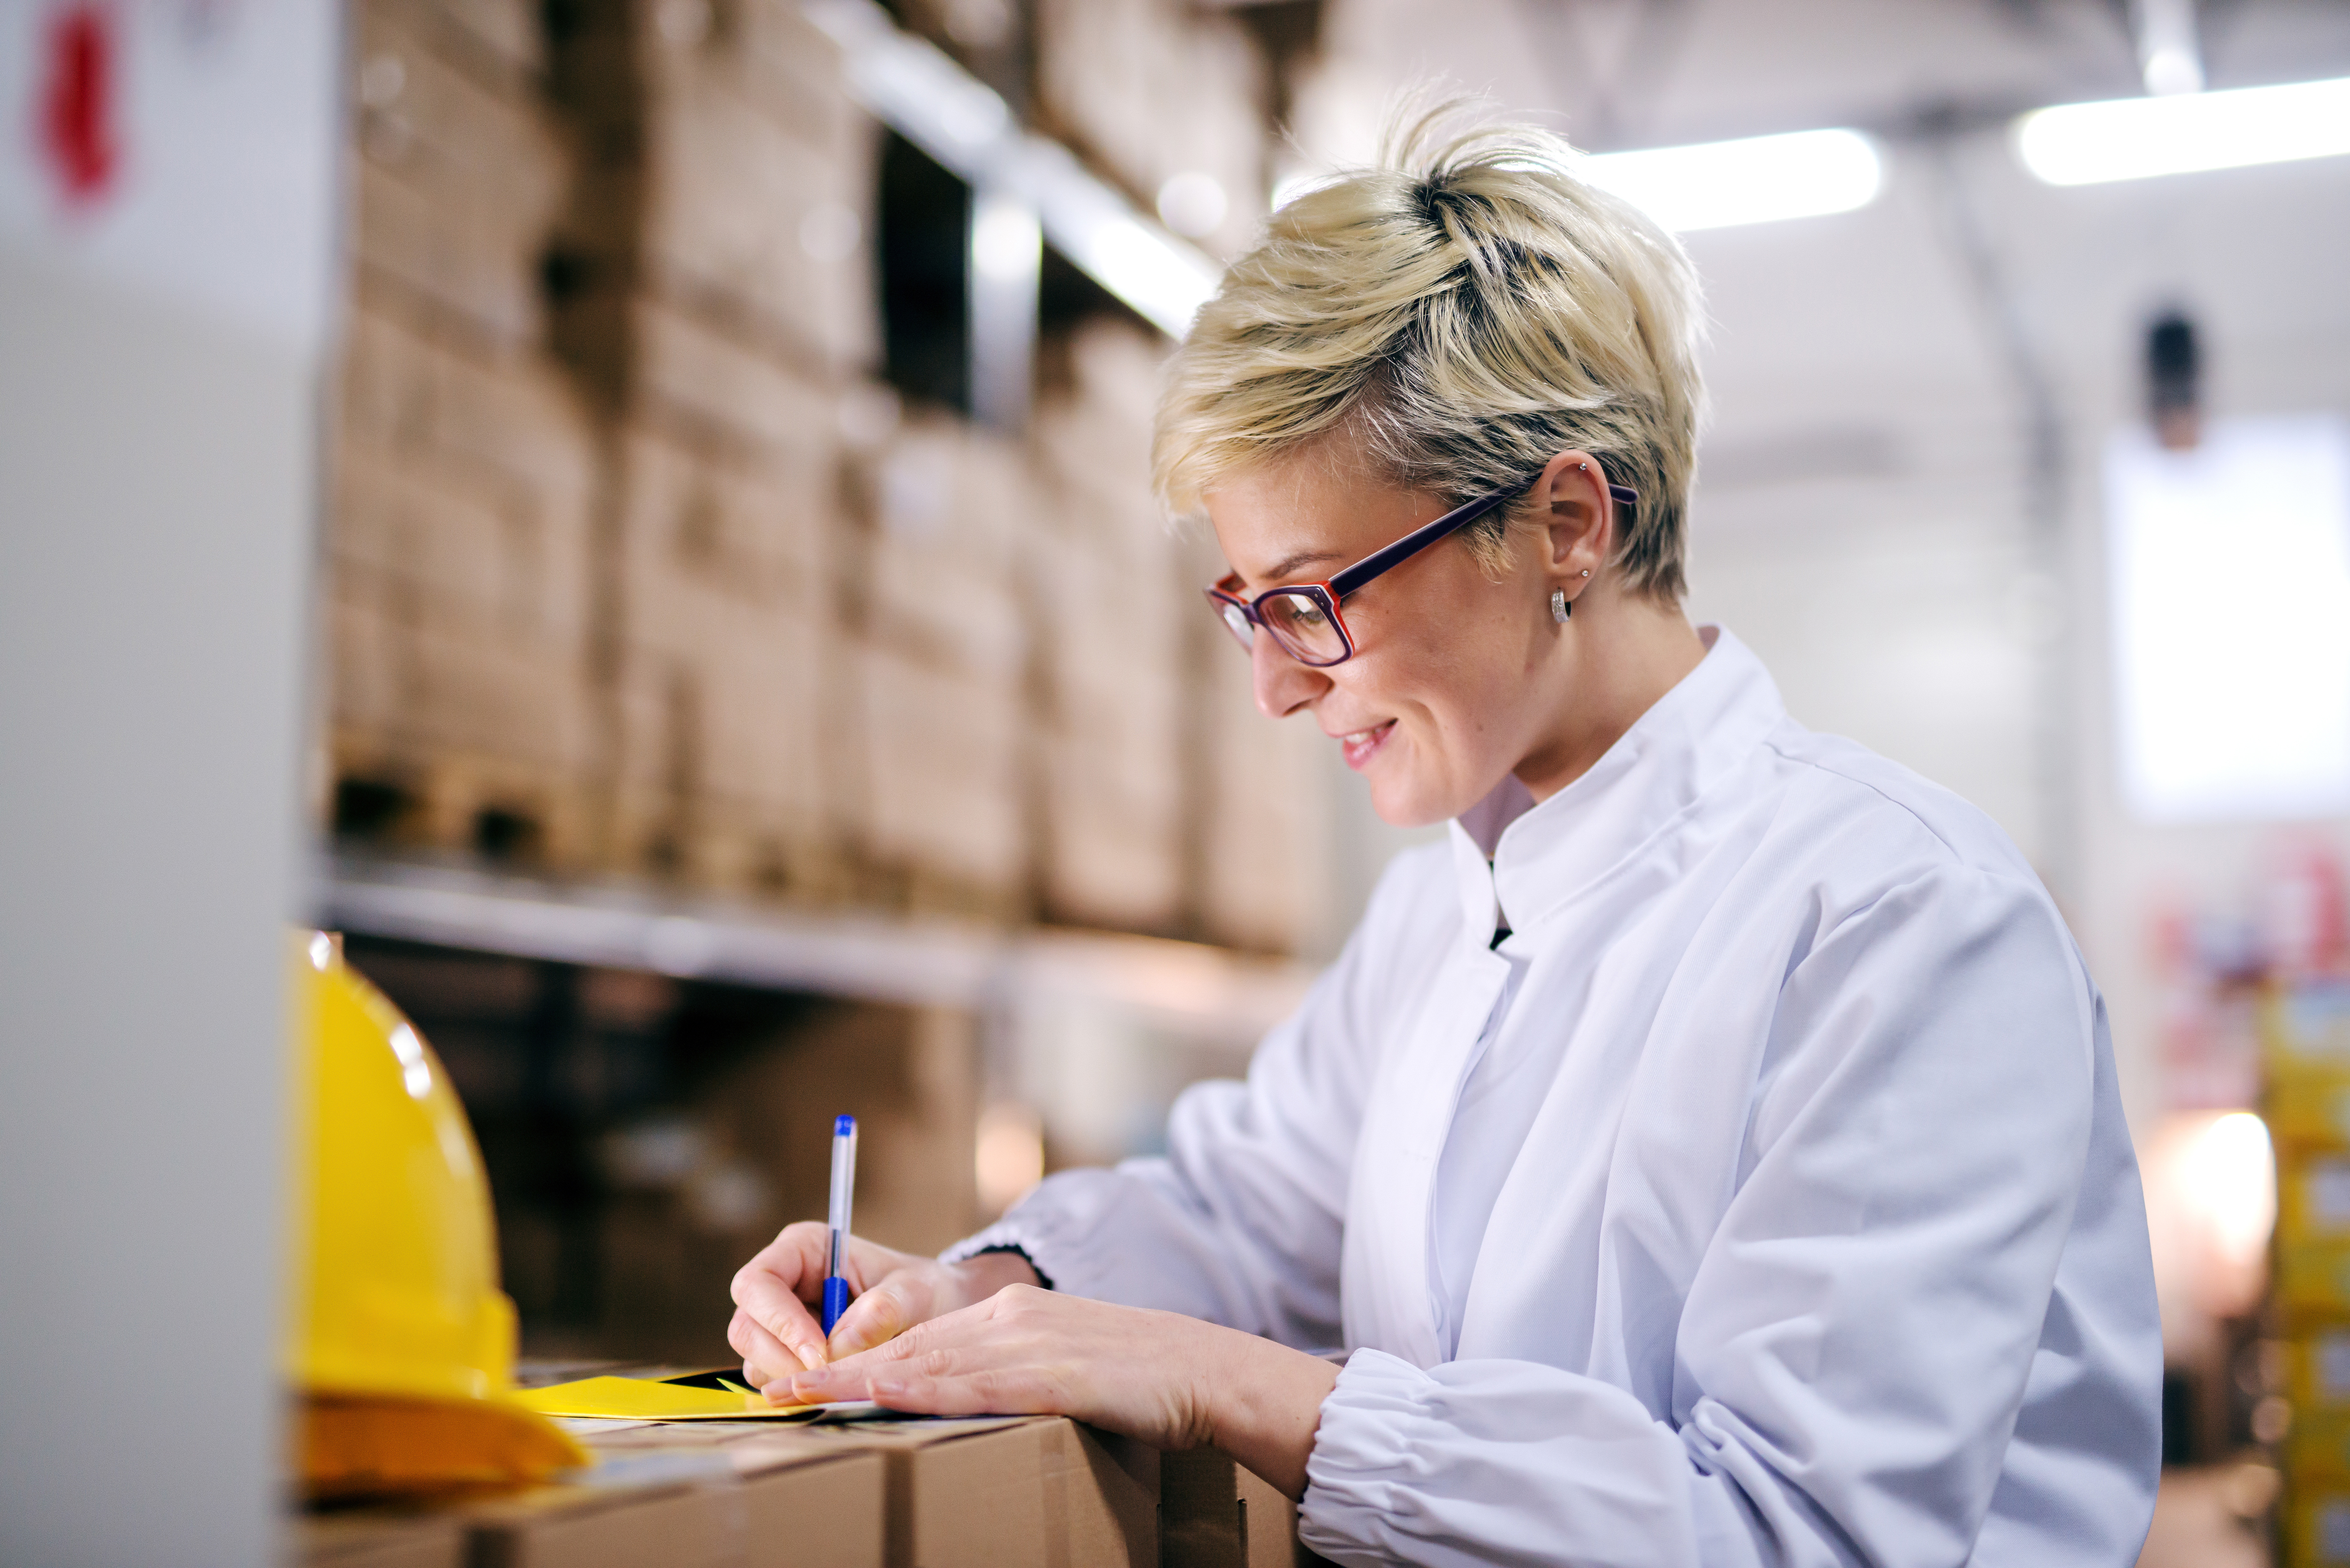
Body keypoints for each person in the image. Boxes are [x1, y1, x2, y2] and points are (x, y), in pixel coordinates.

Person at [728, 104, 2162, 1566]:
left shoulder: (1898, 920)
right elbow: (1245, 1212)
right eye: (1243, 611)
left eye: (1309, 602)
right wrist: (973, 1293)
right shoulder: (1444, 913)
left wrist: (1243, 1388)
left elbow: (1801, 1534)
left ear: (1562, 526)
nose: (1278, 689)